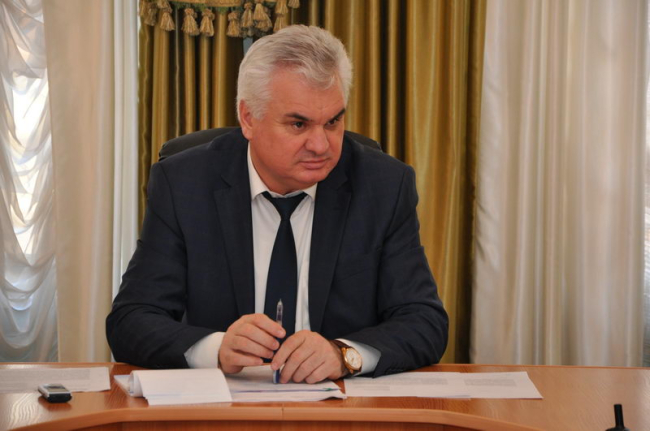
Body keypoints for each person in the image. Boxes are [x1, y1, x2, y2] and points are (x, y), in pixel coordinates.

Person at [106, 25, 448, 383]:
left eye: (333, 122)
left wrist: (344, 354)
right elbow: (131, 320)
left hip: (340, 404)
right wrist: (216, 349)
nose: (321, 145)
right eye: (299, 124)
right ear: (248, 118)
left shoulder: (383, 185)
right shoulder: (184, 184)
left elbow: (424, 321)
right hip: (224, 404)